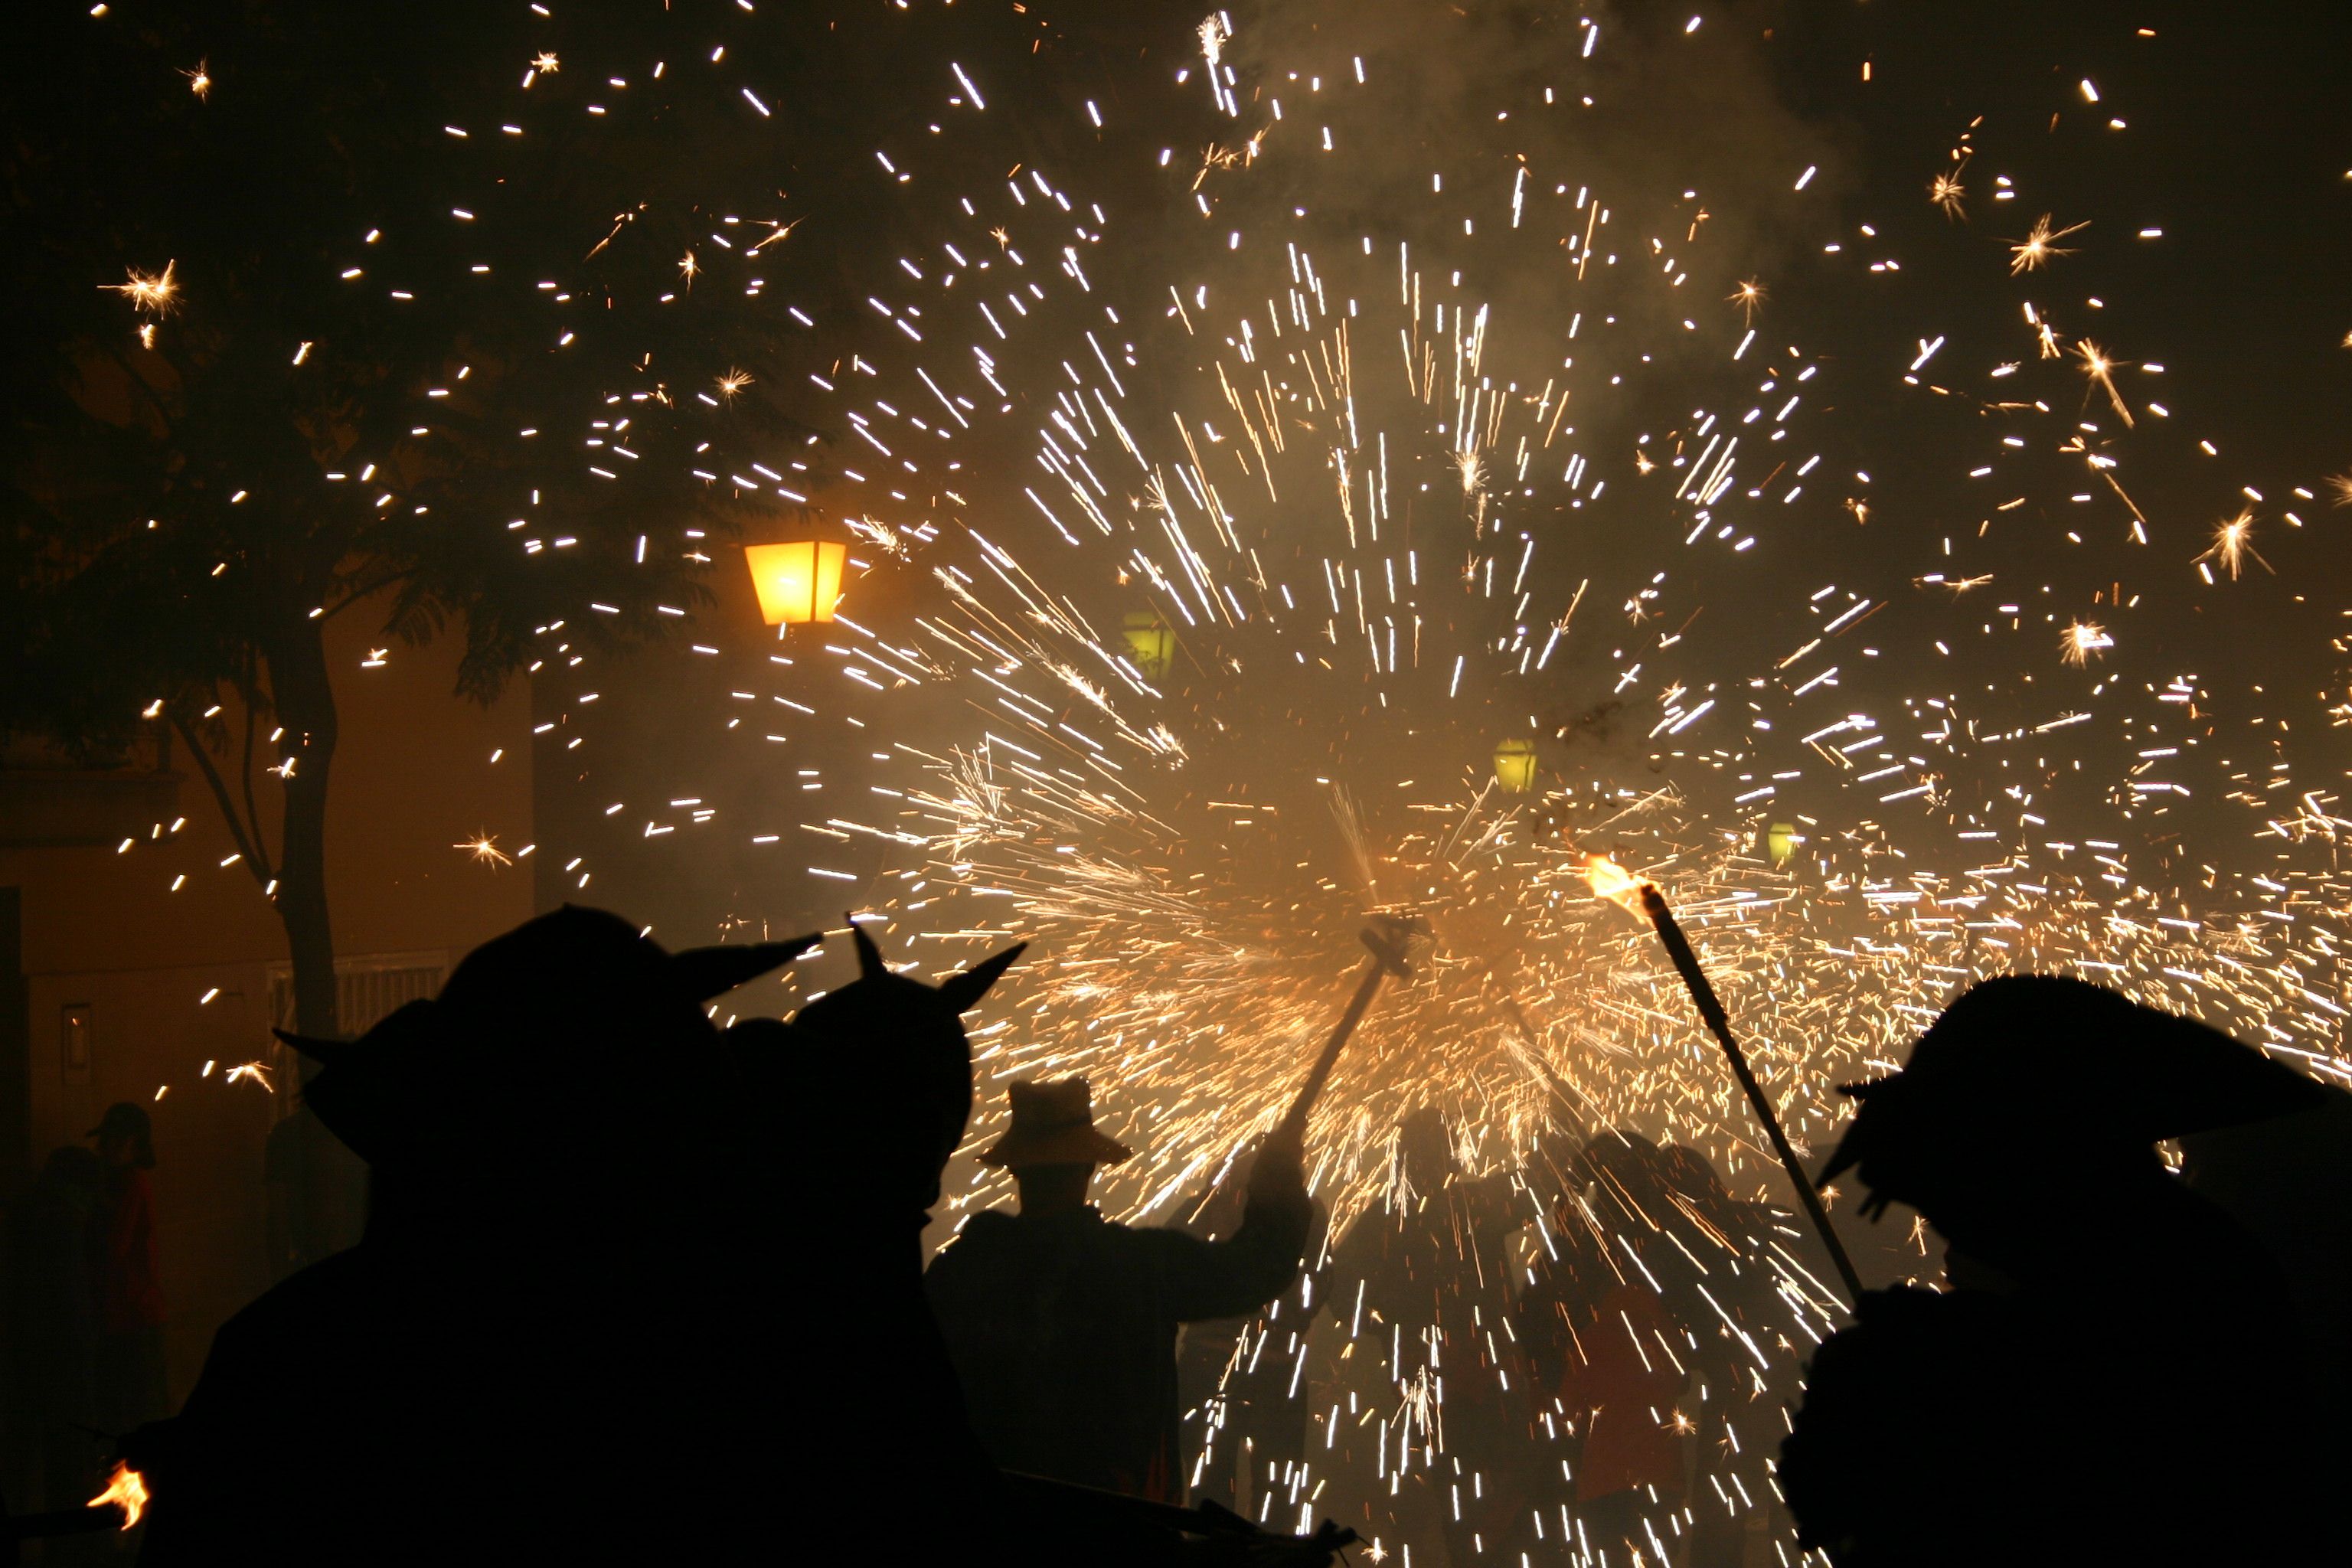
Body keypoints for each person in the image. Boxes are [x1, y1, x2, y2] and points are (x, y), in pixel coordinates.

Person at [1781, 975, 2334, 1566]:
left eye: (1962, 1173)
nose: (1944, 1219)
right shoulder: (2195, 1257)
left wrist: (1912, 1371)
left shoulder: (2182, 1293)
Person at [925, 1075, 1313, 1504]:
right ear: (1090, 1164)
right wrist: (1278, 1176)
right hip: (1121, 1527)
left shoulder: (963, 1272)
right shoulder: (1136, 1266)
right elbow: (1257, 1269)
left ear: (1015, 1166)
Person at [5, 1146, 106, 1521]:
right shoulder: (64, 1224)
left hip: (22, 1353)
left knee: (20, 1459)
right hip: (62, 1357)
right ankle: (73, 1545)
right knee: (67, 1457)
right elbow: (72, 1299)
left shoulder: (27, 1211)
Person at [88, 1102, 168, 1440]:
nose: (107, 1146)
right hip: (129, 1315)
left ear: (136, 1145)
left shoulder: (130, 1185)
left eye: (117, 1139)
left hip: (134, 1316)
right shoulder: (121, 1184)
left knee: (136, 1415)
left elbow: (114, 1248)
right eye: (107, 1138)